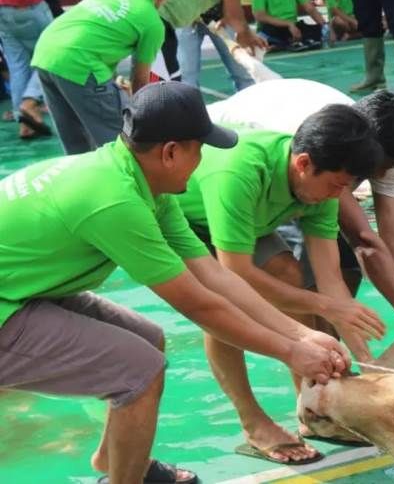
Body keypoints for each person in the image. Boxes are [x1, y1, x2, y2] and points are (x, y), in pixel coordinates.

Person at [0, 81, 349, 484]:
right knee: (139, 371)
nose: (201, 161)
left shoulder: (143, 182)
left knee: (148, 339)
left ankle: (114, 463)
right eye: (198, 150)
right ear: (170, 152)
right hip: (7, 304)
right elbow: (199, 304)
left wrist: (301, 335)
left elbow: (212, 272)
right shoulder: (115, 200)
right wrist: (290, 352)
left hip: (20, 289)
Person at [177, 100, 393, 463]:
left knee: (289, 276)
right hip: (185, 220)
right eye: (335, 185)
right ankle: (253, 422)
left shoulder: (325, 181)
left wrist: (368, 360)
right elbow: (235, 274)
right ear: (303, 163)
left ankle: (312, 412)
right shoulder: (240, 172)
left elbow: (329, 281)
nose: (336, 196)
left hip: (245, 225)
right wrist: (324, 309)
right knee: (224, 309)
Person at [206, 79, 394, 360]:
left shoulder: (367, 159)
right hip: (225, 179)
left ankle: (327, 360)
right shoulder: (323, 148)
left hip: (285, 187)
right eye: (377, 168)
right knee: (246, 293)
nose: (380, 177)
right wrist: (323, 308)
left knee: (330, 271)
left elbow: (391, 240)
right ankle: (308, 376)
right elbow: (365, 241)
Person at [32, 0, 177, 155]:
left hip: (46, 53)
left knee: (77, 147)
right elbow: (140, 81)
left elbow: (96, 38)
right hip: (79, 63)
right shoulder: (152, 22)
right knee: (122, 146)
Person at [157, 0, 268, 82]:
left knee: (178, 78)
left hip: (162, 12)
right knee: (178, 79)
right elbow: (234, 15)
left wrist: (238, 26)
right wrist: (245, 34)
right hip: (166, 15)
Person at [0, 0, 60, 140]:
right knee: (55, 52)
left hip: (3, 7)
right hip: (26, 2)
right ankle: (30, 102)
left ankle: (25, 123)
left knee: (18, 65)